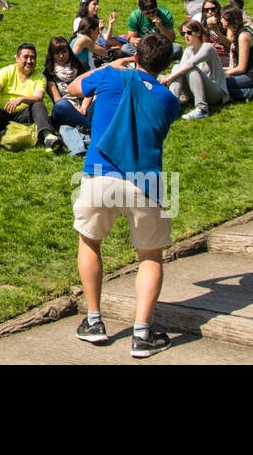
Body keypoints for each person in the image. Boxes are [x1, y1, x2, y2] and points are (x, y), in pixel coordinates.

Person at [70, 34, 180, 357]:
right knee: (150, 255)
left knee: (90, 241)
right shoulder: (168, 99)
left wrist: (112, 66)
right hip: (147, 179)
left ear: (134, 55)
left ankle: (93, 321)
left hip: (99, 171)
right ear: (165, 64)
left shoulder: (109, 76)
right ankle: (142, 334)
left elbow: (75, 87)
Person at [0, 43, 52, 157]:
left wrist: (21, 99)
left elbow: (39, 97)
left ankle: (48, 136)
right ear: (17, 58)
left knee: (38, 105)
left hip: (22, 115)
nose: (29, 61)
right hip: (2, 113)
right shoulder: (7, 71)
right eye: (26, 57)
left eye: (32, 58)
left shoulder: (40, 77)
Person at [161, 20, 229, 119]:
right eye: (183, 33)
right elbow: (180, 69)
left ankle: (202, 110)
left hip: (216, 94)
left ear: (198, 33)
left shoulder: (208, 47)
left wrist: (169, 78)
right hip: (195, 92)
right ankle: (172, 103)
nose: (185, 36)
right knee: (177, 67)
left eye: (189, 32)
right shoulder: (189, 50)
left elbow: (190, 64)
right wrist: (171, 76)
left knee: (190, 68)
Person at [221, 6, 253, 103]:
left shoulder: (243, 37)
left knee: (218, 86)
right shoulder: (236, 35)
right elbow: (232, 67)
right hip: (241, 75)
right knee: (215, 85)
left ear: (229, 19)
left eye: (222, 17)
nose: (220, 20)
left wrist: (221, 75)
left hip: (251, 77)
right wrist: (217, 70)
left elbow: (241, 68)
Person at [43, 36, 92, 140]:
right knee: (61, 105)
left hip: (85, 105)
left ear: (69, 51)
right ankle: (91, 127)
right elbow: (57, 99)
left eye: (64, 52)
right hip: (65, 109)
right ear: (52, 55)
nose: (61, 56)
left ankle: (86, 126)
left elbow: (90, 90)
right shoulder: (48, 72)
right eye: (57, 53)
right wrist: (76, 110)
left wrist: (83, 107)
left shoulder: (81, 64)